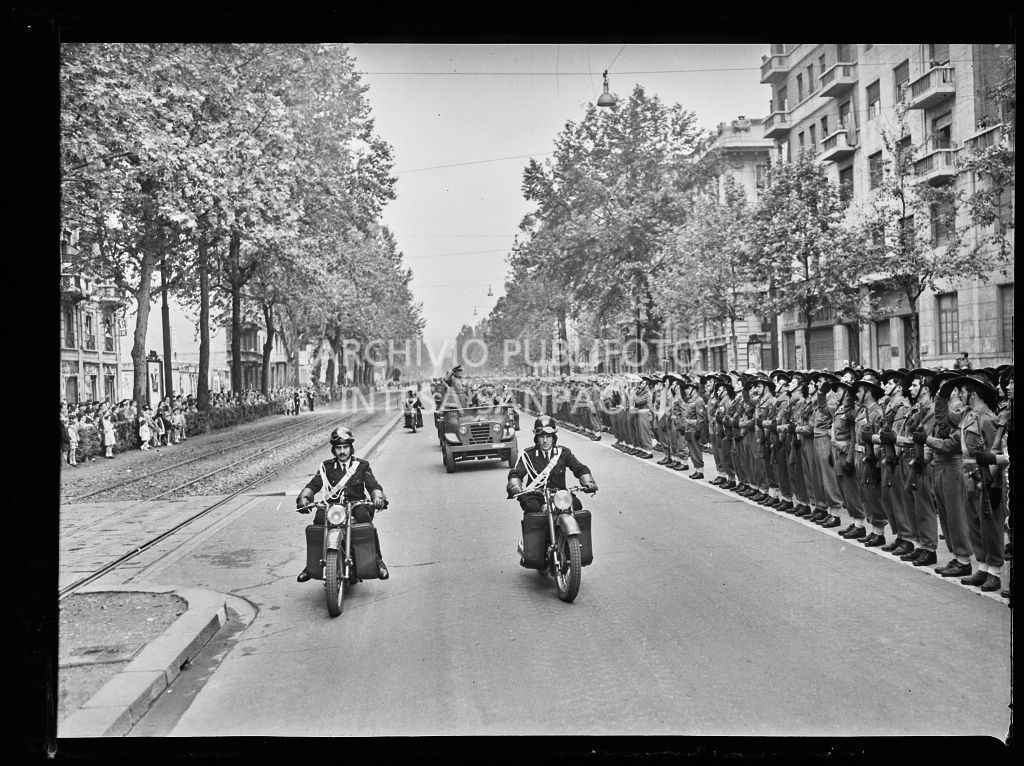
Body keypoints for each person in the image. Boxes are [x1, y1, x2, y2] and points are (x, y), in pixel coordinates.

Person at [294, 426, 390, 582]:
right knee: (318, 521)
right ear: (334, 450)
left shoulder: (361, 465)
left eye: (345, 447)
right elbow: (313, 485)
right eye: (338, 448)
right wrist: (304, 498)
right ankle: (311, 564)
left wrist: (378, 498)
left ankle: (377, 560)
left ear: (351, 448)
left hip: (355, 504)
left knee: (365, 520)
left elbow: (373, 485)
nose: (342, 451)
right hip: (332, 507)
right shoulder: (326, 467)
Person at [506, 416, 597, 516]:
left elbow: (580, 469)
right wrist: (515, 486)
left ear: (553, 437)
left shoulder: (563, 453)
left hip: (559, 495)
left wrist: (588, 482)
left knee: (576, 505)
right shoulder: (528, 455)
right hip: (536, 496)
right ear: (537, 438)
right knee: (532, 508)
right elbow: (516, 474)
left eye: (548, 436)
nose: (545, 441)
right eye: (541, 437)